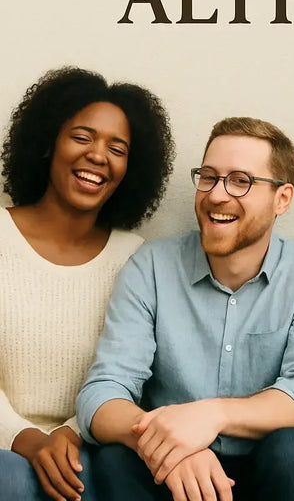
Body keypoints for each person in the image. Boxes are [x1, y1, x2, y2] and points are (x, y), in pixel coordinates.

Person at [77, 116, 294, 501]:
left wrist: (211, 416)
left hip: (264, 469)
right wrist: (169, 444)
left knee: (293, 449)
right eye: (209, 176)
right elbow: (101, 393)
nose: (217, 195)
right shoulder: (151, 266)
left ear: (282, 198)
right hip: (170, 477)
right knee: (116, 457)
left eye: (240, 181)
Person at [0, 66, 175, 501]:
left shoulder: (137, 258)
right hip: (5, 448)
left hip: (90, 446)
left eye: (118, 148)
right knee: (14, 479)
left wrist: (69, 435)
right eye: (81, 137)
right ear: (47, 144)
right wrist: (30, 440)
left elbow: (135, 378)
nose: (99, 156)